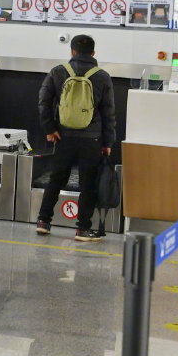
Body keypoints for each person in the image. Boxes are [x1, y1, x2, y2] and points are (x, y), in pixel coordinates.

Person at [36, 34, 116, 242]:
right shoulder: (102, 76)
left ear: (72, 51)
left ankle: (43, 221)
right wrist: (108, 142)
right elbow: (108, 112)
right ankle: (82, 229)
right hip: (92, 138)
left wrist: (50, 128)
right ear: (93, 53)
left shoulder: (58, 71)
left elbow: (44, 101)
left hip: (63, 135)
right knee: (88, 183)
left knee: (56, 178)